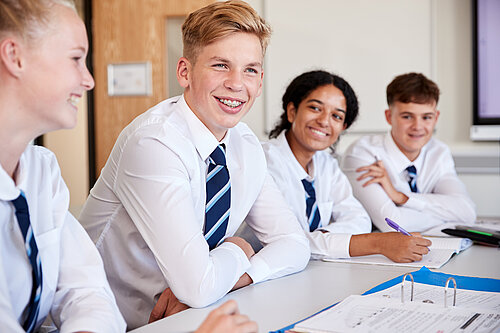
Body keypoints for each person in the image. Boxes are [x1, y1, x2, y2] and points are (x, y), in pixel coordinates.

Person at [79, 0, 310, 329]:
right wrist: (239, 247)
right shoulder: (155, 142)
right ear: (184, 72)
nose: (236, 83)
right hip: (114, 321)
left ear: (260, 81)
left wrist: (243, 273)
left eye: (250, 69)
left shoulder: (244, 144)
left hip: (189, 316)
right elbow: (198, 287)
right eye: (220, 65)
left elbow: (295, 244)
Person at [0, 0, 126, 331]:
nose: (89, 81)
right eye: (75, 59)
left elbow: (87, 290)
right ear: (15, 56)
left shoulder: (41, 171)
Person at [262, 70, 431, 263]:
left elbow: (359, 220)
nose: (324, 121)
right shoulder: (264, 162)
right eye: (315, 108)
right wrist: (377, 243)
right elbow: (287, 242)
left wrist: (322, 237)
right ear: (292, 112)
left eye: (336, 116)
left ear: (343, 128)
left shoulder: (327, 165)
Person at [341, 72, 476, 232]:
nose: (418, 127)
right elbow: (393, 224)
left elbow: (467, 213)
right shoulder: (363, 153)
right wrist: (447, 215)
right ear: (389, 116)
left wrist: (401, 197)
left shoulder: (438, 152)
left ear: (436, 117)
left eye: (426, 117)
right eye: (407, 116)